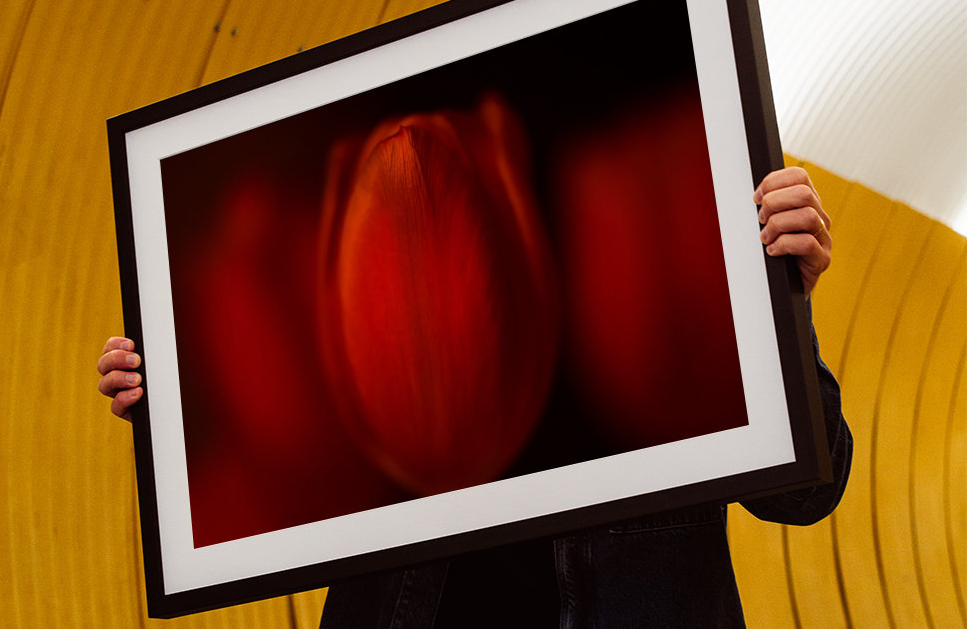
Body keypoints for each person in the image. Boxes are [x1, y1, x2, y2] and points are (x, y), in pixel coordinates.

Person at [97, 167, 852, 627]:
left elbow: (808, 491)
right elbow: (292, 469)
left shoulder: (670, 295)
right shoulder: (383, 333)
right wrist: (184, 404)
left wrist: (780, 300)